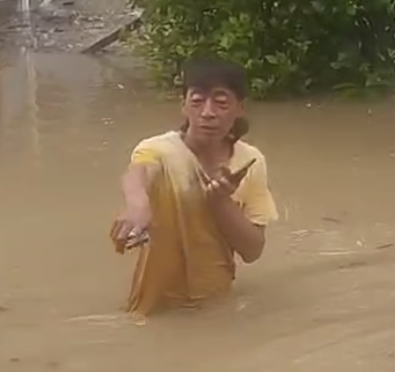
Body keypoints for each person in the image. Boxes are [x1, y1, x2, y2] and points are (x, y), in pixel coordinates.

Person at [109, 58, 278, 315]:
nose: (207, 112)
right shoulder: (161, 150)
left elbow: (253, 251)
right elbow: (139, 172)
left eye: (221, 103)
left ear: (240, 108)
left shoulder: (250, 162)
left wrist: (220, 202)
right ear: (184, 107)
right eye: (197, 101)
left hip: (215, 301)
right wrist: (137, 203)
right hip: (154, 303)